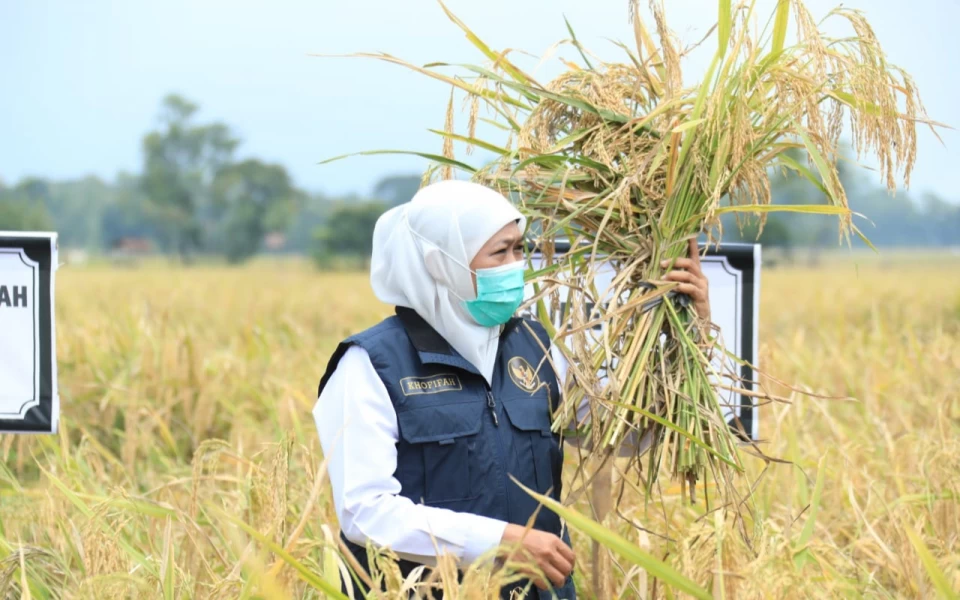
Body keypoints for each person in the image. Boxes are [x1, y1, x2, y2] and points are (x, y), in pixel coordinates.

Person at [313, 180, 712, 599]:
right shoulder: (371, 365)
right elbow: (364, 512)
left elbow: (623, 436)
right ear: (441, 264)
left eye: (520, 249)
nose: (516, 265)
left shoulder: (538, 347)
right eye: (499, 252)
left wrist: (691, 332)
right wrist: (498, 541)